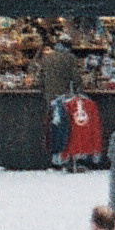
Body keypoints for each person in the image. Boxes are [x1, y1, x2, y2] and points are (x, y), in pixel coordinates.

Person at [35, 33, 80, 163]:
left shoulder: (46, 58)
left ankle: (54, 153)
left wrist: (45, 92)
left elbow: (40, 79)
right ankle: (63, 154)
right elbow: (76, 78)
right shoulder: (69, 58)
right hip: (65, 98)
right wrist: (79, 91)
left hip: (50, 97)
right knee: (65, 127)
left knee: (53, 126)